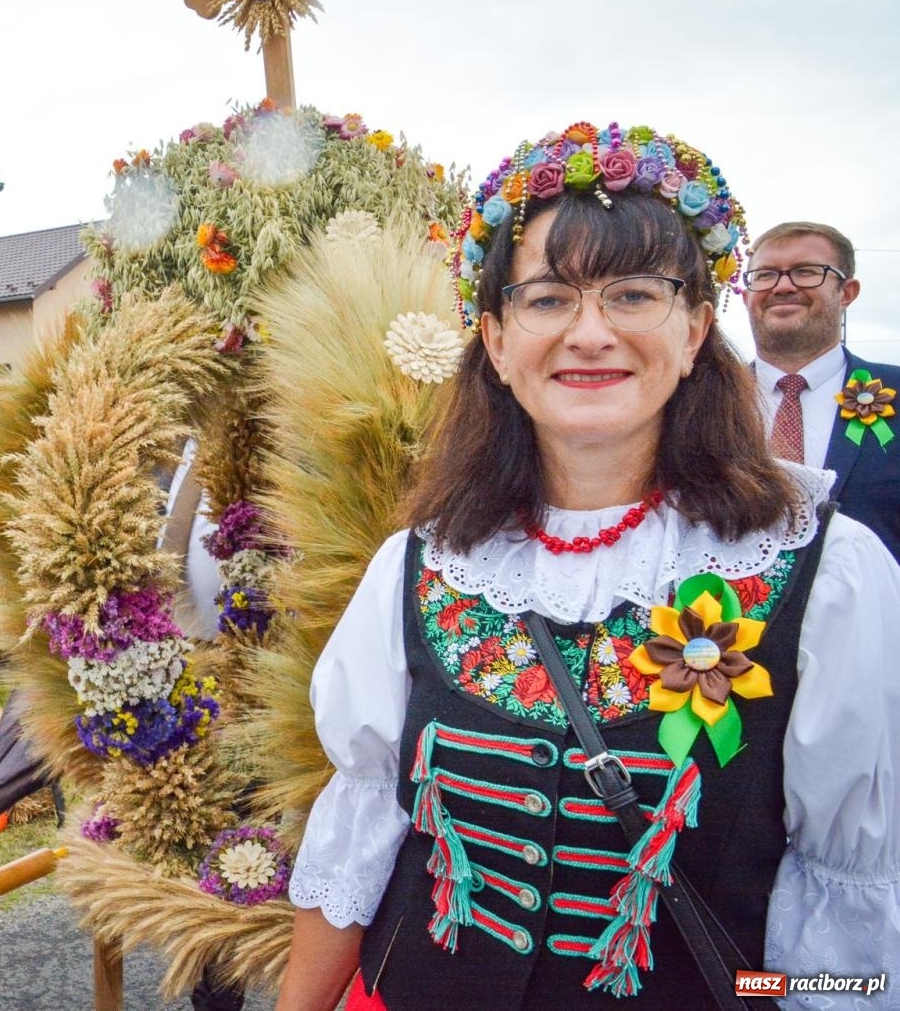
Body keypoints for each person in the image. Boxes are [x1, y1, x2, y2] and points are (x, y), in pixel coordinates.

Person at [277, 124, 900, 1010]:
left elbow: (849, 905)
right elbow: (362, 827)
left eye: (634, 293)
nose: (591, 333)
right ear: (496, 341)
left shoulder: (829, 573)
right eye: (547, 299)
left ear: (695, 331)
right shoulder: (420, 562)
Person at [744, 221, 900, 562]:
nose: (783, 286)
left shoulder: (896, 391)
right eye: (766, 275)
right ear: (746, 295)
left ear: (847, 292)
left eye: (805, 272)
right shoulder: (699, 400)